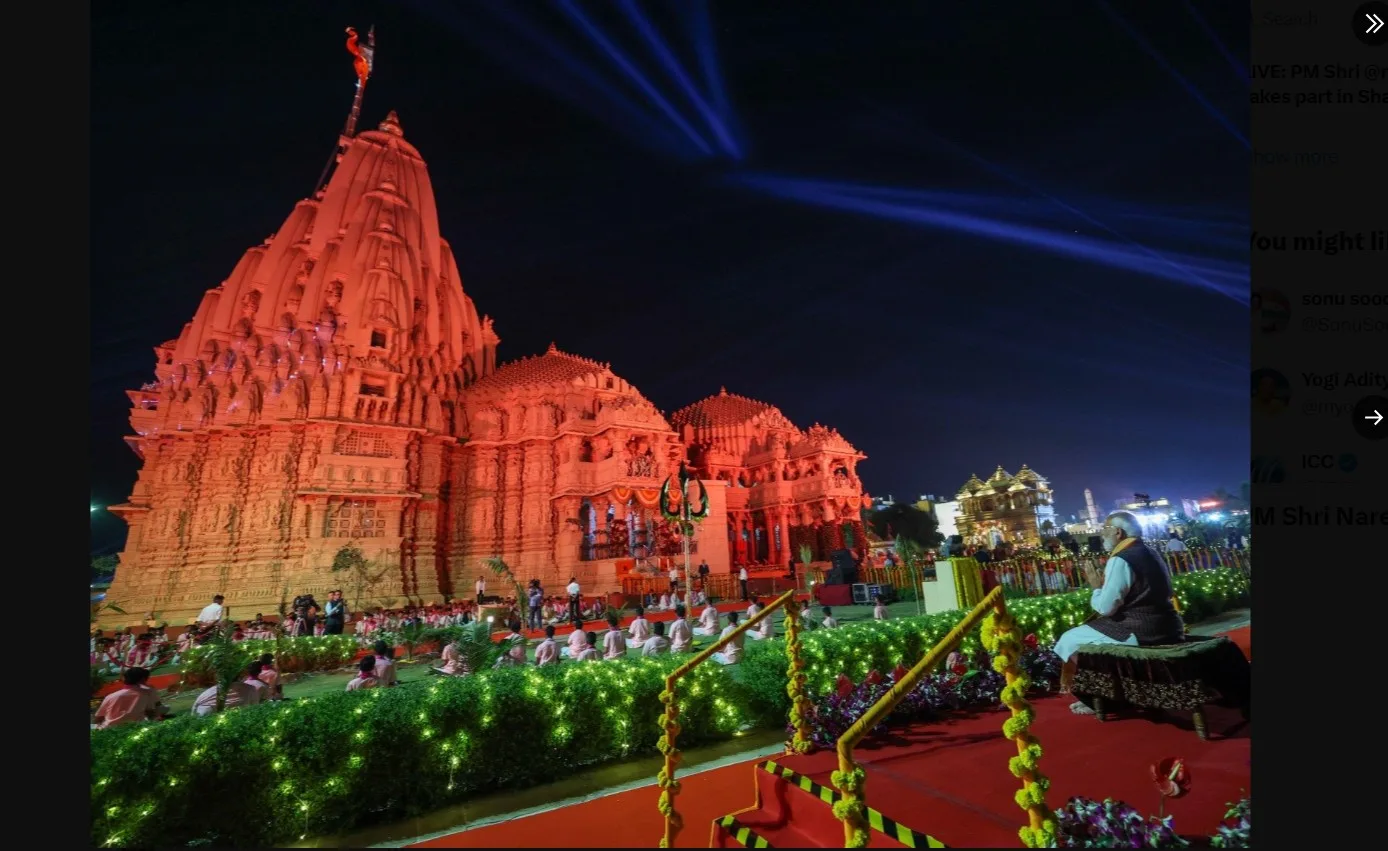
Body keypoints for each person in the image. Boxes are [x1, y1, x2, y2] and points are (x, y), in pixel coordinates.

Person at [1052, 512, 1185, 715]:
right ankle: (1112, 693)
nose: (1102, 534)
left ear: (1118, 532)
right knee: (1085, 637)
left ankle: (1105, 698)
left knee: (1067, 640)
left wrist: (1096, 588)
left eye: (1105, 529)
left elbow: (1106, 607)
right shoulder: (1149, 551)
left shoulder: (1121, 558)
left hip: (1140, 629)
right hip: (1169, 624)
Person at [93, 667, 162, 729]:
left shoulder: (111, 696)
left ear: (125, 679)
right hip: (135, 728)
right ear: (143, 680)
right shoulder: (146, 693)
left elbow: (98, 718)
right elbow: (151, 713)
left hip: (110, 730)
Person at [192, 665, 261, 715]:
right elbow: (254, 713)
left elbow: (194, 713)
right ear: (239, 674)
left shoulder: (205, 694)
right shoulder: (250, 689)